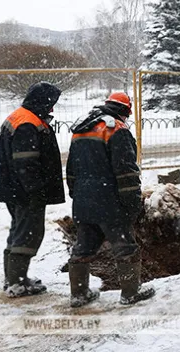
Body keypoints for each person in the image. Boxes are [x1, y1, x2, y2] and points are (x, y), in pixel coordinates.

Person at [65, 92, 154, 308]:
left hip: (83, 201)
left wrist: (77, 194)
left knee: (83, 247)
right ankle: (130, 293)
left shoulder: (82, 128)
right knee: (125, 247)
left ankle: (79, 294)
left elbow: (71, 170)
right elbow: (126, 173)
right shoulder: (117, 130)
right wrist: (133, 203)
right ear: (126, 111)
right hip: (110, 202)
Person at [0, 81, 64, 298]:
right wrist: (36, 190)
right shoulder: (28, 123)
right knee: (28, 233)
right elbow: (26, 163)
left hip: (15, 189)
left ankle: (14, 278)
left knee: (19, 230)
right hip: (25, 191)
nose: (52, 109)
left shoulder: (22, 116)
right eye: (50, 104)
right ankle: (17, 283)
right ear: (42, 101)